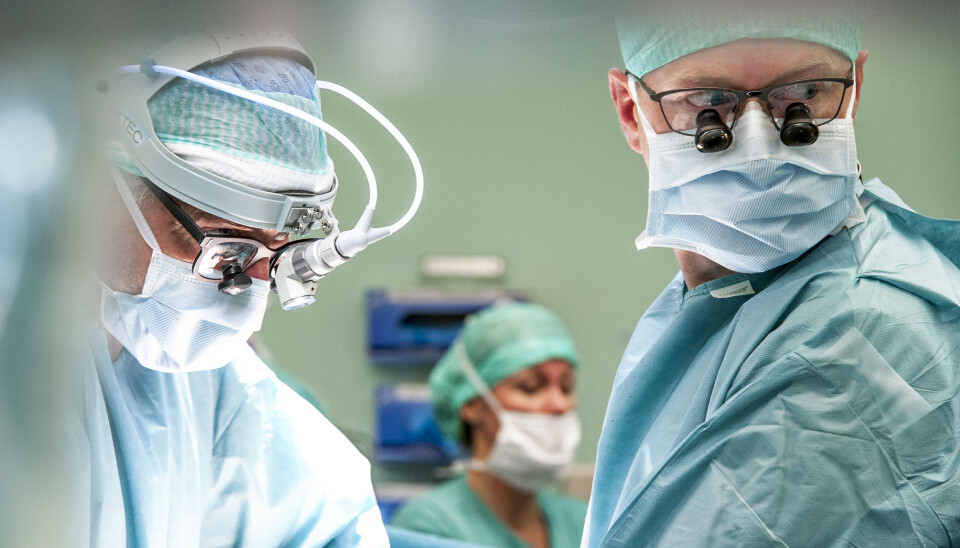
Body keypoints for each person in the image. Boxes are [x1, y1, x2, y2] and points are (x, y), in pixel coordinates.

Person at [583, 4, 960, 547]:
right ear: (629, 110)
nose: (759, 145)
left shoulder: (856, 337)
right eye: (708, 103)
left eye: (802, 97)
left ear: (854, 92)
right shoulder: (728, 302)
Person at [78, 29, 424, 546]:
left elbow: (328, 522)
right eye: (227, 246)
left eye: (273, 252)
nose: (250, 286)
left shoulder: (211, 394)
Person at [392, 302, 588, 548]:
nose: (560, 404)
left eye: (566, 387)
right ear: (472, 404)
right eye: (530, 387)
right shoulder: (429, 527)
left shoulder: (581, 522)